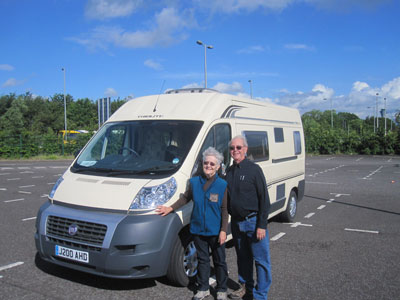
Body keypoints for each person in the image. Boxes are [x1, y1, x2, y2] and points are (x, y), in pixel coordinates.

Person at [156, 147, 229, 300]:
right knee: (202, 260)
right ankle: (203, 288)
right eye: (205, 163)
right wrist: (170, 208)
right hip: (198, 229)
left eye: (211, 164)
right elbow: (185, 198)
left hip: (216, 231)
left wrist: (224, 230)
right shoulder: (194, 182)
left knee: (219, 261)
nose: (208, 166)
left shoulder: (222, 185)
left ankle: (222, 289)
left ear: (217, 166)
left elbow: (224, 209)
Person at [225, 135, 271, 300]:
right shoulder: (228, 172)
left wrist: (262, 225)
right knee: (243, 259)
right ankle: (245, 288)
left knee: (261, 261)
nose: (235, 150)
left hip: (253, 222)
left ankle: (260, 295)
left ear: (245, 149)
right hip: (237, 224)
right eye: (232, 148)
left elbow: (264, 199)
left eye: (238, 147)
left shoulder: (254, 169)